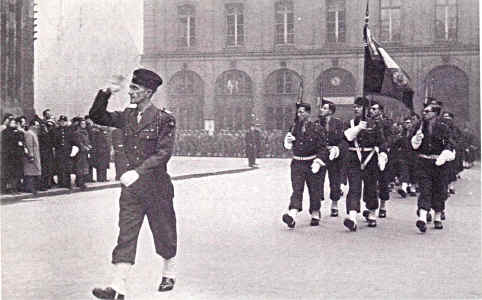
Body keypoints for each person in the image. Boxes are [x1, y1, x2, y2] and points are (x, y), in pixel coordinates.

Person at [89, 69, 177, 299]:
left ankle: (169, 271)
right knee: (126, 234)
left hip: (156, 187)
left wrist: (138, 172)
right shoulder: (127, 116)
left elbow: (163, 153)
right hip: (132, 190)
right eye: (130, 88)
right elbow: (97, 116)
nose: (130, 92)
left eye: (135, 89)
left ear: (148, 92)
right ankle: (118, 287)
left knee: (163, 232)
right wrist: (106, 92)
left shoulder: (164, 119)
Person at [342, 97, 388, 231]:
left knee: (371, 187)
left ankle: (372, 213)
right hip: (354, 159)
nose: (356, 109)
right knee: (354, 188)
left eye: (359, 107)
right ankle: (352, 217)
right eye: (355, 107)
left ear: (365, 109)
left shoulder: (374, 124)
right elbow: (346, 138)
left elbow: (381, 142)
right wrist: (357, 128)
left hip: (370, 159)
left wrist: (383, 154)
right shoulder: (350, 123)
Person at [282, 102, 328, 228]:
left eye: (302, 112)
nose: (299, 114)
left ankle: (315, 212)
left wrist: (318, 160)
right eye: (298, 112)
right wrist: (287, 141)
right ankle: (292, 214)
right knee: (297, 189)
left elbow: (323, 147)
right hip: (297, 162)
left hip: (311, 162)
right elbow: (288, 145)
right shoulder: (293, 127)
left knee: (314, 190)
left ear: (308, 113)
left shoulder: (316, 128)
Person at [411, 102, 455, 232]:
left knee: (439, 190)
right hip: (424, 162)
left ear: (435, 113)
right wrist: (416, 139)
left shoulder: (443, 128)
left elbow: (450, 144)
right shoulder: (419, 126)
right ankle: (423, 218)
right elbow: (411, 144)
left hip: (439, 164)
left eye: (427, 112)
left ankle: (437, 217)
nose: (424, 114)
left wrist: (445, 154)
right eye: (424, 111)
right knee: (424, 189)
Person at [316, 99, 346, 217]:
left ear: (331, 111)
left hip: (334, 155)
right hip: (322, 154)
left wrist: (337, 149)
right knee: (318, 181)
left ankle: (334, 204)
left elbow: (342, 140)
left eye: (324, 108)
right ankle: (317, 205)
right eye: (322, 108)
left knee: (335, 181)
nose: (321, 110)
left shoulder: (338, 123)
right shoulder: (317, 123)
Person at [54, 115, 74, 189]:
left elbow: (72, 140)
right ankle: (61, 182)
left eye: (64, 121)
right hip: (59, 151)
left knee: (67, 167)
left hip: (67, 151)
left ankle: (68, 183)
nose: (62, 123)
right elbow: (54, 140)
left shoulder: (69, 130)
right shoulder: (56, 130)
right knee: (60, 167)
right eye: (61, 121)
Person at [23, 119, 42, 194]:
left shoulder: (34, 133)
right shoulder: (29, 134)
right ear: (32, 126)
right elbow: (29, 145)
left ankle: (33, 187)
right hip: (31, 156)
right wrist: (31, 155)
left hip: (35, 155)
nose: (37, 127)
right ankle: (29, 188)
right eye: (36, 125)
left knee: (34, 172)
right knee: (30, 172)